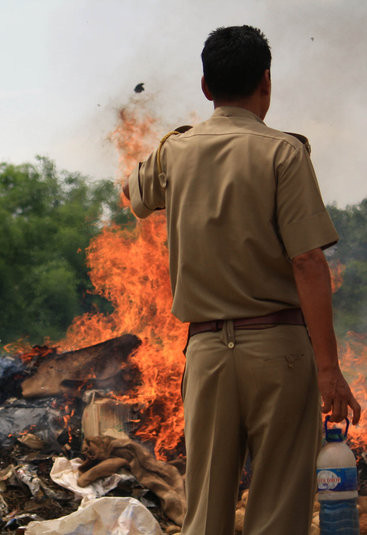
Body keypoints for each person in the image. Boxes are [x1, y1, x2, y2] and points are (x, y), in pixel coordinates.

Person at [123, 25, 362, 535]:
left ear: (206, 87)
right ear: (267, 83)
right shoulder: (284, 153)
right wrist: (328, 368)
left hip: (207, 355)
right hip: (279, 351)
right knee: (277, 508)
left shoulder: (176, 152)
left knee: (206, 509)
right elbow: (307, 263)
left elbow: (134, 194)